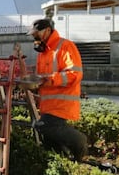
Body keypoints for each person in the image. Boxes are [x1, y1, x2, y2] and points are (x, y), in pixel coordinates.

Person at [28, 18, 88, 161]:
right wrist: (34, 84)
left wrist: (49, 79)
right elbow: (42, 78)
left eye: (36, 33)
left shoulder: (65, 46)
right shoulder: (42, 53)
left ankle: (80, 142)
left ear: (48, 30)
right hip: (48, 105)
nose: (34, 37)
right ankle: (65, 163)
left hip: (62, 103)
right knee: (49, 142)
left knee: (43, 127)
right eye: (33, 35)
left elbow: (75, 74)